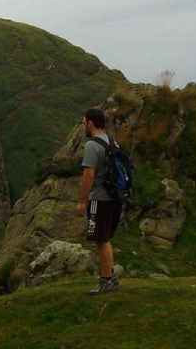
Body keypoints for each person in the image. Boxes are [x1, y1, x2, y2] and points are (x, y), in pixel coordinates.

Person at [76, 107, 123, 295]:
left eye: (83, 122)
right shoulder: (113, 142)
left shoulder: (91, 146)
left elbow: (88, 174)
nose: (83, 125)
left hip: (99, 199)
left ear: (90, 123)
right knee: (105, 239)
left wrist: (82, 201)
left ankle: (106, 281)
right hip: (115, 198)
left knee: (101, 240)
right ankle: (109, 277)